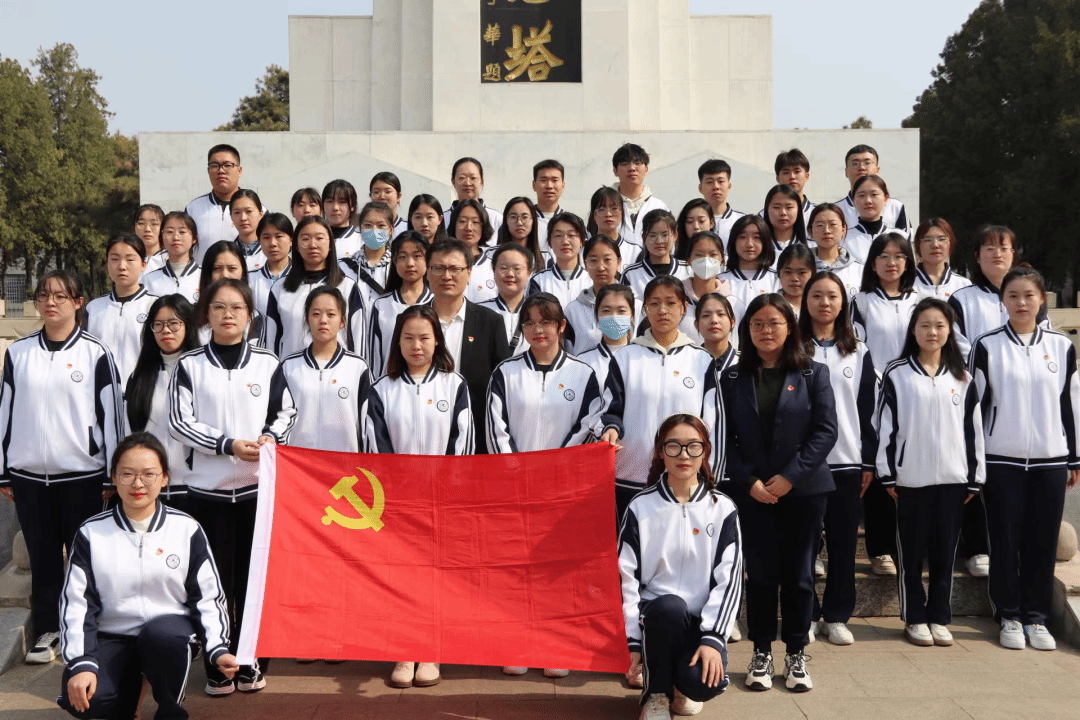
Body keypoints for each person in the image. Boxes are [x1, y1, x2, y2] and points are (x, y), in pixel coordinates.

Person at [169, 278, 296, 695]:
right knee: (213, 583)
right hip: (207, 493)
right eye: (219, 307)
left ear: (250, 316)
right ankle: (217, 660)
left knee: (252, 580)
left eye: (237, 307)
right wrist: (226, 444)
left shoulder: (267, 362)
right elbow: (180, 422)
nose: (228, 315)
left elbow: (285, 411)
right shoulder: (189, 364)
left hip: (257, 492)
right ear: (206, 315)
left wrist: (269, 438)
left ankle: (250, 658)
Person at [57, 433, 237, 720]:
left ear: (165, 478)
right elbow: (77, 603)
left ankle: (169, 708)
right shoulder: (91, 533)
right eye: (127, 474)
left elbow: (208, 596)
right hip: (112, 636)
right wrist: (81, 663)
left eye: (148, 474)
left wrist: (218, 647)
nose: (138, 484)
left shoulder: (186, 529)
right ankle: (128, 698)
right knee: (88, 698)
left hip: (168, 633)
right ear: (113, 478)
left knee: (162, 636)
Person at [0, 270, 123, 666]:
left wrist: (112, 471)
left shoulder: (96, 353)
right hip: (29, 478)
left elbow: (112, 416)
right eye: (44, 295)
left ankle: (91, 629)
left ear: (78, 302)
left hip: (84, 476)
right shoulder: (18, 353)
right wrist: (4, 469)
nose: (50, 302)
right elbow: (4, 412)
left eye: (60, 296)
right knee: (44, 560)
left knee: (87, 557)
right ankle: (50, 631)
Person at [720, 293, 837, 693]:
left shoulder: (813, 373)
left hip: (803, 492)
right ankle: (761, 652)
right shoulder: (732, 378)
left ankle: (796, 653)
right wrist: (748, 480)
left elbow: (826, 431)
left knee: (800, 575)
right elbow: (725, 438)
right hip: (752, 493)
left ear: (790, 328)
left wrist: (791, 476)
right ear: (746, 330)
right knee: (761, 575)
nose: (766, 331)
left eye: (774, 323)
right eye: (757, 324)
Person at [487, 294, 603, 681]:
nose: (538, 330)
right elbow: (496, 426)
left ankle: (556, 644)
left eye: (547, 322)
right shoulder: (506, 372)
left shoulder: (583, 373)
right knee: (516, 566)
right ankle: (517, 641)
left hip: (562, 488)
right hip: (514, 487)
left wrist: (556, 469)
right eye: (530, 323)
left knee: (558, 568)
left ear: (562, 326)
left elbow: (588, 424)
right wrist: (516, 472)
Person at [363, 305, 473, 690]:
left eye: (425, 337)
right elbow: (375, 447)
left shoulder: (455, 385)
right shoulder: (381, 389)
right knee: (401, 577)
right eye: (408, 338)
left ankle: (431, 649)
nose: (417, 345)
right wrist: (399, 495)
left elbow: (463, 444)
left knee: (435, 575)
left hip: (442, 501)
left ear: (437, 340)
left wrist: (445, 491)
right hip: (397, 504)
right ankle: (403, 649)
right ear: (397, 342)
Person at [970, 266, 1080, 651]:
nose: (1021, 302)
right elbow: (975, 408)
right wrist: (976, 461)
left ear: (1041, 300)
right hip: (1002, 459)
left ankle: (1036, 617)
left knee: (1043, 542)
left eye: (1028, 295)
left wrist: (1074, 458)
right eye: (1013, 295)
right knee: (1005, 540)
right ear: (1002, 300)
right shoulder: (987, 346)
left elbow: (1070, 404)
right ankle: (1009, 616)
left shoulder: (1062, 346)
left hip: (1050, 459)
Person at [618, 414, 742, 720]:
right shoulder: (640, 506)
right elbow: (625, 578)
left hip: (700, 622)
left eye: (693, 446)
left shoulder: (722, 508)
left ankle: (680, 686)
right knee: (670, 607)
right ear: (660, 452)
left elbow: (729, 581)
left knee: (704, 683)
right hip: (656, 617)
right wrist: (632, 640)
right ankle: (657, 695)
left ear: (705, 451)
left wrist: (713, 638)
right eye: (673, 446)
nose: (683, 455)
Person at [877, 298, 984, 648]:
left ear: (950, 331)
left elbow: (973, 431)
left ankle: (939, 615)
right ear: (913, 330)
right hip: (910, 480)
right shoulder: (897, 373)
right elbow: (885, 427)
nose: (932, 332)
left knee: (944, 553)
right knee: (911, 553)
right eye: (924, 325)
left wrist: (975, 476)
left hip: (954, 480)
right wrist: (887, 471)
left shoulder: (962, 377)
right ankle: (914, 617)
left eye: (939, 325)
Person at [599, 276, 721, 520]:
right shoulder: (625, 358)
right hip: (631, 475)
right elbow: (609, 411)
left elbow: (713, 423)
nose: (662, 310)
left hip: (685, 476)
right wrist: (610, 428)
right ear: (645, 309)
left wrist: (710, 473)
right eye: (654, 304)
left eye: (670, 303)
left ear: (684, 308)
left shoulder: (701, 360)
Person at [800, 273, 877, 646]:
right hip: (804, 463)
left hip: (847, 460)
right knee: (803, 544)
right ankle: (806, 614)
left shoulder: (858, 350)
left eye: (832, 296)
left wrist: (868, 460)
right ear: (806, 301)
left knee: (844, 545)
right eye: (817, 295)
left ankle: (837, 615)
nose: (825, 303)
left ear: (843, 303)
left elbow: (867, 409)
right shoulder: (793, 347)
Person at [851, 232, 918, 576]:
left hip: (915, 394)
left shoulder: (920, 300)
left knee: (911, 467)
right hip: (875, 394)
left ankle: (912, 545)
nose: (892, 262)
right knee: (880, 468)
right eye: (884, 256)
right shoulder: (861, 301)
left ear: (908, 262)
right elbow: (857, 347)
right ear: (873, 263)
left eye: (899, 256)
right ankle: (880, 551)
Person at [425, 238, 512, 454]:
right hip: (424, 431)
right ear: (427, 272)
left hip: (476, 435)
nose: (447, 276)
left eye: (455, 269)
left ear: (469, 273)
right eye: (438, 268)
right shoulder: (411, 320)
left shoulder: (490, 322)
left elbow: (501, 386)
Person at [125, 295, 200, 512]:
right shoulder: (139, 377)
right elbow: (129, 431)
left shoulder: (203, 373)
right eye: (158, 324)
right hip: (149, 490)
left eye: (174, 323)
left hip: (194, 487)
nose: (166, 330)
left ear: (188, 325)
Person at [278, 287, 371, 452]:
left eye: (331, 314)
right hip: (298, 461)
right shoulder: (289, 367)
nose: (323, 320)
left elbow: (367, 425)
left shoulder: (358, 368)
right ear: (307, 319)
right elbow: (278, 419)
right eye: (316, 314)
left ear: (342, 321)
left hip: (345, 463)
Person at [264, 216, 368, 360]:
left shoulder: (347, 287)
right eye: (305, 239)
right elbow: (271, 342)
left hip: (338, 371)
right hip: (291, 371)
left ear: (330, 244)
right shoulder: (279, 289)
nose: (313, 244)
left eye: (319, 238)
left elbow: (358, 340)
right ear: (296, 245)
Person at [949, 224, 1048, 358]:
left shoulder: (1030, 296)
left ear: (1013, 254)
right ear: (977, 256)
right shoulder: (961, 299)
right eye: (990, 249)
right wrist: (980, 366)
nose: (997, 254)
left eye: (1004, 248)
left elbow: (1044, 336)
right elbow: (957, 344)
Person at [86, 233, 158, 383]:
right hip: (101, 391)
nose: (122, 266)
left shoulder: (156, 306)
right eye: (114, 259)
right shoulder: (93, 308)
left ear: (143, 265)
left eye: (130, 259)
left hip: (143, 390)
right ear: (107, 264)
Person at [368, 232, 433, 377]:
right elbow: (374, 359)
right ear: (395, 261)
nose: (410, 263)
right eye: (403, 257)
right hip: (390, 385)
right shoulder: (381, 305)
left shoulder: (437, 302)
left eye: (417, 256)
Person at [564, 235, 626, 354]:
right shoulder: (573, 310)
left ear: (618, 262)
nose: (601, 267)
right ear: (585, 264)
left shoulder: (636, 306)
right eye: (593, 260)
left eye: (607, 260)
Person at [197, 241, 265, 346]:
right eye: (217, 269)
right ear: (208, 274)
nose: (225, 275)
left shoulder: (255, 318)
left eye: (232, 268)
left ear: (242, 272)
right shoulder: (193, 314)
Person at [185, 144, 245, 261]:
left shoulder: (256, 210)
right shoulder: (193, 209)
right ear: (208, 171)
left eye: (227, 165)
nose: (221, 171)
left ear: (239, 171)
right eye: (214, 166)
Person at [683, 232, 743, 345]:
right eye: (699, 255)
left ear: (722, 261)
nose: (706, 261)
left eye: (713, 255)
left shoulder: (735, 304)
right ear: (689, 260)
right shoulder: (678, 301)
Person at [835, 144, 910, 234]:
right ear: (846, 172)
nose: (861, 168)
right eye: (855, 163)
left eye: (867, 163)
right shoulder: (835, 210)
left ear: (877, 170)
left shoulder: (895, 207)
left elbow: (905, 240)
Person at [477, 243, 535, 356]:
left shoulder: (538, 312)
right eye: (503, 268)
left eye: (517, 268)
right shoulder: (478, 312)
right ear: (494, 271)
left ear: (529, 272)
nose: (510, 274)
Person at [621, 209, 691, 300]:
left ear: (675, 236)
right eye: (653, 235)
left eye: (665, 235)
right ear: (644, 237)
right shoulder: (630, 274)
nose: (659, 241)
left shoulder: (688, 270)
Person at [577, 284, 637, 390]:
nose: (614, 316)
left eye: (621, 311)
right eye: (606, 311)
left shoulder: (641, 358)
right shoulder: (582, 361)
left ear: (632, 316)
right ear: (597, 315)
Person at [527, 213, 590, 307]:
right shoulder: (539, 281)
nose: (565, 241)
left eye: (571, 235)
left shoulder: (592, 280)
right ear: (549, 242)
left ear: (582, 241)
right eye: (558, 235)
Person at [340, 200, 394, 309]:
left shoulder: (397, 266)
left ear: (391, 230)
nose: (374, 230)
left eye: (381, 225)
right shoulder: (343, 267)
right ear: (360, 228)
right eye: (368, 225)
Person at [612, 143, 669, 246]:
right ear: (615, 170)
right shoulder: (604, 207)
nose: (632, 168)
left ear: (646, 169)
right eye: (625, 163)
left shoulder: (659, 206)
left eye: (638, 163)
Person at [718, 215, 779, 309]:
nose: (749, 244)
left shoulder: (776, 279)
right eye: (743, 237)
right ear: (734, 241)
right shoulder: (721, 280)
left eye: (756, 237)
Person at [842, 176, 905, 264]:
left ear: (886, 198)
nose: (868, 201)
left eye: (874, 195)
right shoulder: (843, 239)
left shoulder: (901, 237)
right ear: (853, 200)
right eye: (861, 195)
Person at [142, 211, 201, 304]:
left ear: (194, 238)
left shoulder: (204, 276)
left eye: (182, 232)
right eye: (169, 232)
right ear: (162, 237)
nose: (176, 237)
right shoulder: (149, 280)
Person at [809, 204, 862, 297]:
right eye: (820, 225)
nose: (827, 231)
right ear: (810, 231)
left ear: (843, 229)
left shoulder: (859, 270)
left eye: (833, 224)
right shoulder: (802, 268)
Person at [443, 157, 504, 236]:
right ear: (453, 182)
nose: (467, 183)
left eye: (473, 178)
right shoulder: (442, 220)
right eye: (462, 178)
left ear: (481, 182)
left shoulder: (496, 219)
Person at [913, 218, 970, 300]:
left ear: (950, 243)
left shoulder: (963, 285)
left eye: (942, 239)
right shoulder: (906, 284)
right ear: (918, 245)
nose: (935, 245)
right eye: (928, 240)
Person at [250, 213, 294, 316]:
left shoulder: (304, 278)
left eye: (279, 236)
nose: (273, 243)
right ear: (259, 241)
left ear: (291, 240)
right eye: (266, 237)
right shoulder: (249, 280)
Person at [588, 185, 641, 266]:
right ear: (593, 215)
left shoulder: (635, 252)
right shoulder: (582, 251)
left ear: (622, 213)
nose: (608, 214)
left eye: (614, 208)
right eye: (601, 209)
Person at [697, 159, 745, 242]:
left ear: (729, 186)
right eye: (709, 182)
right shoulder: (693, 222)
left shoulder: (742, 220)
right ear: (700, 188)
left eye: (721, 181)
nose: (716, 187)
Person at [762, 184, 808, 266]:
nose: (783, 213)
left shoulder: (811, 246)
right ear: (767, 210)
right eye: (776, 207)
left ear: (798, 210)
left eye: (789, 207)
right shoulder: (758, 247)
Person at [695, 292, 738, 373]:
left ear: (732, 322)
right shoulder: (687, 361)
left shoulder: (745, 362)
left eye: (720, 314)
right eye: (706, 315)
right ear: (697, 325)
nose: (714, 320)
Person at [773, 149, 815, 230]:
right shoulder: (766, 216)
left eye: (797, 171)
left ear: (806, 176)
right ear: (778, 178)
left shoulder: (818, 214)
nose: (792, 176)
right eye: (786, 172)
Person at [229, 188, 267, 272]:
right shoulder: (226, 254)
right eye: (237, 212)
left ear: (261, 215)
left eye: (249, 211)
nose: (243, 218)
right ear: (231, 217)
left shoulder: (271, 252)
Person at [776, 243, 816, 319]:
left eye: (802, 272)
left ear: (812, 274)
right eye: (788, 272)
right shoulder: (770, 305)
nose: (794, 278)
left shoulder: (818, 306)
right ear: (779, 273)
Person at [448, 198, 494, 263]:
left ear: (483, 226)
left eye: (475, 222)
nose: (468, 228)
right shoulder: (444, 260)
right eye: (463, 221)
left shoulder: (492, 263)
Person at [323, 179, 361, 257]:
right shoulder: (315, 240)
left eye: (342, 202)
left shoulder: (361, 242)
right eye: (330, 201)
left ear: (352, 206)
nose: (335, 208)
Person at [532, 159, 566, 243]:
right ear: (534, 185)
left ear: (563, 186)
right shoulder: (525, 220)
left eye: (555, 180)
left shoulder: (572, 222)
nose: (549, 186)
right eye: (543, 180)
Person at [369, 171, 409, 237]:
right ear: (371, 197)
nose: (382, 196)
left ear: (398, 197)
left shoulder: (408, 228)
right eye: (376, 192)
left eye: (388, 192)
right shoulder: (363, 229)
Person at [133, 204, 167, 279]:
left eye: (154, 224)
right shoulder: (128, 258)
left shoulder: (170, 259)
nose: (147, 229)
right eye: (141, 223)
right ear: (134, 228)